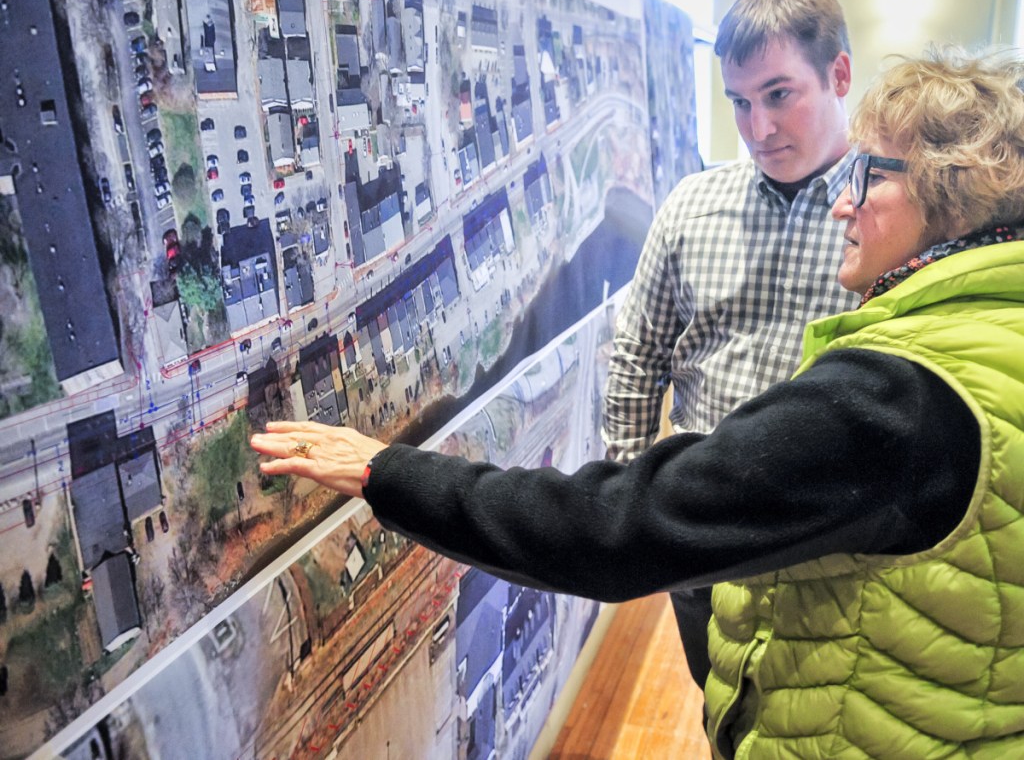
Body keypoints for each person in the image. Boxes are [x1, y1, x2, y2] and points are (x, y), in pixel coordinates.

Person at [253, 48, 1024, 755]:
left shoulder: (900, 397)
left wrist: (385, 471)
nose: (840, 204)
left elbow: (609, 528)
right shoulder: (994, 335)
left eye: (869, 176)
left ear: (951, 192)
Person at [601, 0, 861, 690]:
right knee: (721, 707)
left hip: (831, 543)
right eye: (739, 102)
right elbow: (637, 353)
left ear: (839, 74)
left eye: (780, 94)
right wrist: (630, 499)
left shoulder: (888, 211)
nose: (758, 128)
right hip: (702, 532)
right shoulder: (692, 203)